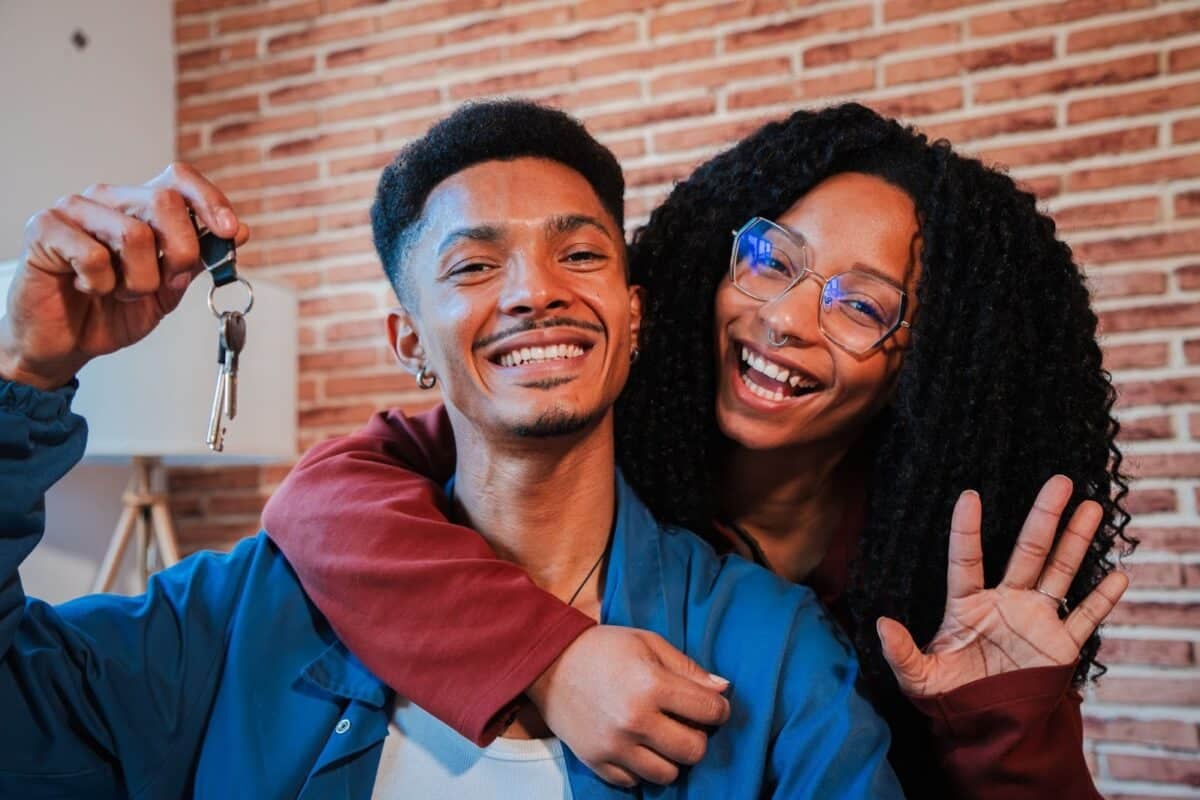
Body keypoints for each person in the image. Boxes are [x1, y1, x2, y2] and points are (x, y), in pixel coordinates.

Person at [0, 101, 901, 798]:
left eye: (580, 255)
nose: (532, 294)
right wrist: (22, 372)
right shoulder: (241, 618)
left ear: (634, 315)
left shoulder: (770, 654)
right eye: (472, 267)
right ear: (409, 343)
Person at [263, 102, 1133, 798]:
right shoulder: (593, 429)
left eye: (860, 307)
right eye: (769, 259)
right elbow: (323, 499)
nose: (787, 318)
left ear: (930, 362)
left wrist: (1002, 729)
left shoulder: (943, 565)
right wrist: (554, 660)